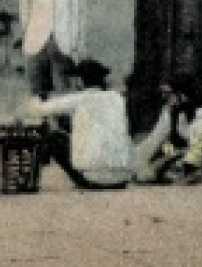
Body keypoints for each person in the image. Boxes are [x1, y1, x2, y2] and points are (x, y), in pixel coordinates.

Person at [22, 59, 131, 190]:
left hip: (93, 179)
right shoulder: (117, 98)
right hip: (122, 179)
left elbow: (37, 110)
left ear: (80, 81)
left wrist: (36, 95)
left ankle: (29, 181)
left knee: (54, 138)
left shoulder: (81, 99)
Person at [131, 74, 202, 185]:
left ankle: (197, 173)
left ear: (182, 94)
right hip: (184, 152)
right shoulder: (171, 111)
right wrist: (136, 162)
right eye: (162, 93)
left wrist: (183, 156)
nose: (164, 97)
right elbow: (155, 138)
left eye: (168, 93)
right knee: (147, 172)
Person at [18, 0, 84, 99]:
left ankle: (62, 123)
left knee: (62, 86)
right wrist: (28, 36)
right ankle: (43, 122)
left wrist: (74, 45)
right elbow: (24, 14)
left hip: (61, 42)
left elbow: (75, 16)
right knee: (37, 86)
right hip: (36, 41)